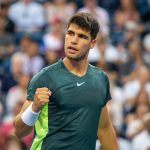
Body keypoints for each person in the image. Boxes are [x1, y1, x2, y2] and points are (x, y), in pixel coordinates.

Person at [14, 12, 119, 150]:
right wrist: (34, 108)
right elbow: (20, 131)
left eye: (82, 36)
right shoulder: (45, 77)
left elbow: (104, 129)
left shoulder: (100, 79)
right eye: (70, 33)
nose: (73, 40)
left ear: (92, 43)